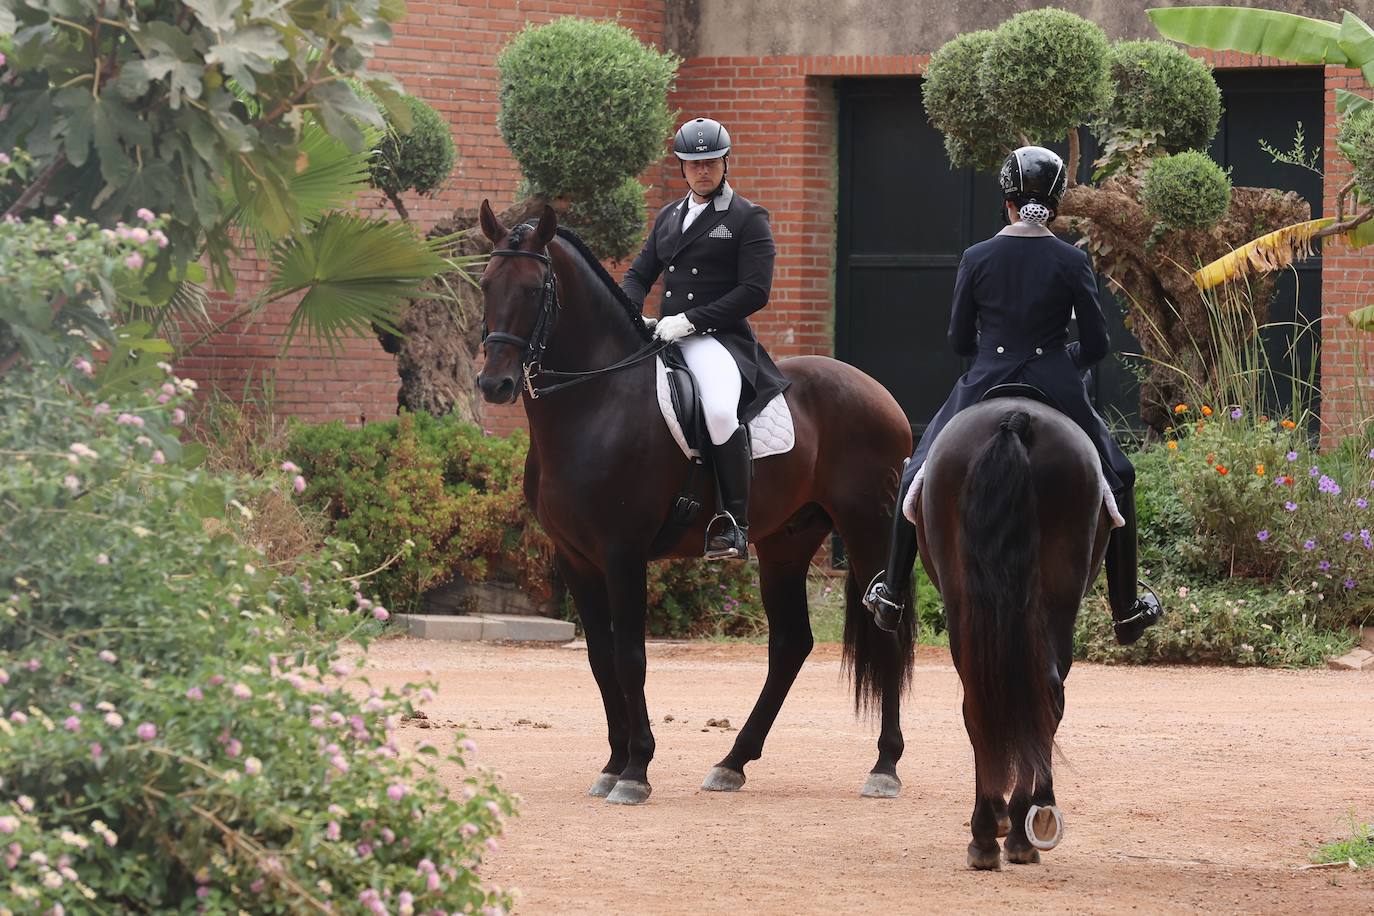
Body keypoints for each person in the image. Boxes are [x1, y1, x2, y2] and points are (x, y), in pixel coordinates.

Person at [862, 145, 1164, 643]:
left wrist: (991, 354)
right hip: (1056, 380)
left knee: (917, 469)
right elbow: (1097, 344)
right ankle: (1126, 606)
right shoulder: (1072, 260)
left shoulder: (976, 257)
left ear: (1007, 200)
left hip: (986, 379)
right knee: (1121, 476)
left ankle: (892, 593)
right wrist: (1064, 361)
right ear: (1058, 202)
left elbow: (959, 340)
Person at [621, 117, 790, 560]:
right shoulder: (668, 217)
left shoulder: (746, 217)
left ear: (725, 162)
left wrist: (691, 321)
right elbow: (639, 274)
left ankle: (734, 523)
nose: (703, 171)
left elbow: (755, 291)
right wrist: (630, 313)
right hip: (664, 336)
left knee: (717, 410)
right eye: (694, 164)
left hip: (718, 339)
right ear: (681, 167)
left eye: (711, 162)